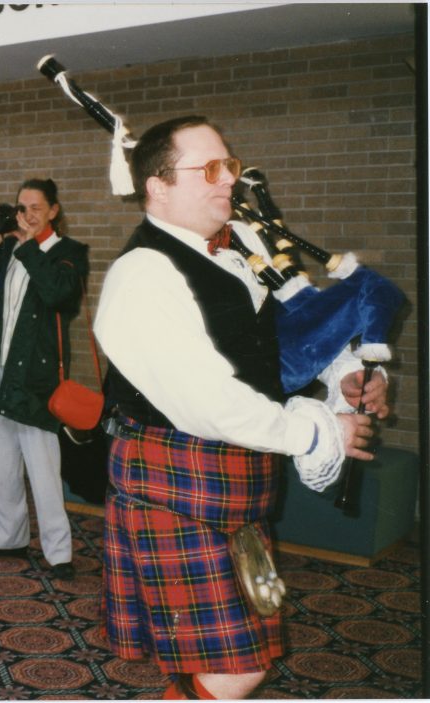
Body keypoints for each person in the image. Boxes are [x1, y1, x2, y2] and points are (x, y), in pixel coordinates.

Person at [93, 115, 387, 700]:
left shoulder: (238, 250)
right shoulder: (142, 275)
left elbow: (290, 330)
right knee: (237, 666)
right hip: (178, 483)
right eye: (209, 169)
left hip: (230, 482)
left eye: (227, 165)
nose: (227, 179)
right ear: (158, 185)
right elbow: (211, 405)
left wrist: (344, 375)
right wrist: (316, 431)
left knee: (226, 658)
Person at [0, 178, 88, 580]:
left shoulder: (68, 253)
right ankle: (7, 537)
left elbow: (59, 296)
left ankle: (58, 552)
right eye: (21, 207)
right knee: (1, 465)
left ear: (53, 211)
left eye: (34, 208)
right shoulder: (9, 249)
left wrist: (29, 245)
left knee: (44, 469)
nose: (26, 215)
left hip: (36, 379)